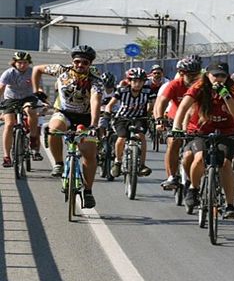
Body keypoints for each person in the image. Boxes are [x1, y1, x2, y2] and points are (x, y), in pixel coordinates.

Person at [171, 62, 234, 218]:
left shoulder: (232, 89)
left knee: (226, 163)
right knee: (198, 157)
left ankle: (230, 205)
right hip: (200, 131)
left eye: (223, 76)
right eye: (215, 75)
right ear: (207, 75)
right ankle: (193, 188)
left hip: (225, 131)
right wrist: (177, 128)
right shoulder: (199, 86)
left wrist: (226, 96)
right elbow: (183, 107)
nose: (219, 79)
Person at [32, 45, 103, 208]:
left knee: (89, 153)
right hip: (64, 112)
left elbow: (95, 101)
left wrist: (94, 124)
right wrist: (38, 91)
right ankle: (59, 163)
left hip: (86, 117)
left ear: (90, 64)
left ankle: (88, 191)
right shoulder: (61, 70)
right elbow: (36, 69)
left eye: (84, 63)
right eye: (77, 61)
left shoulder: (95, 78)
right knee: (54, 129)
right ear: (72, 61)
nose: (80, 65)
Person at [154, 58, 202, 190]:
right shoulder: (174, 85)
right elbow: (161, 103)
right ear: (181, 73)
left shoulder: (202, 85)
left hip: (195, 123)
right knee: (173, 142)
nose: (193, 78)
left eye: (196, 75)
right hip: (174, 121)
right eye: (190, 75)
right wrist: (159, 119)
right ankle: (172, 177)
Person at [105, 67, 155, 178]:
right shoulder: (122, 90)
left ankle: (142, 165)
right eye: (135, 81)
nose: (137, 84)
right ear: (130, 81)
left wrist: (151, 115)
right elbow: (110, 104)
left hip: (139, 118)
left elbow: (152, 105)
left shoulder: (148, 91)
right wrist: (108, 112)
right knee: (121, 138)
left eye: (140, 81)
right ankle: (117, 162)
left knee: (141, 137)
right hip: (123, 118)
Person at [1, 52, 45, 166]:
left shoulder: (32, 72)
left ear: (29, 63)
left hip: (28, 97)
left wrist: (41, 93)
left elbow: (39, 86)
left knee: (30, 110)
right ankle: (6, 156)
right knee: (9, 124)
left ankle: (33, 137)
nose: (22, 65)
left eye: (25, 63)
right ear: (14, 63)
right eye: (19, 62)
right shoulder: (9, 73)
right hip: (11, 98)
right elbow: (1, 88)